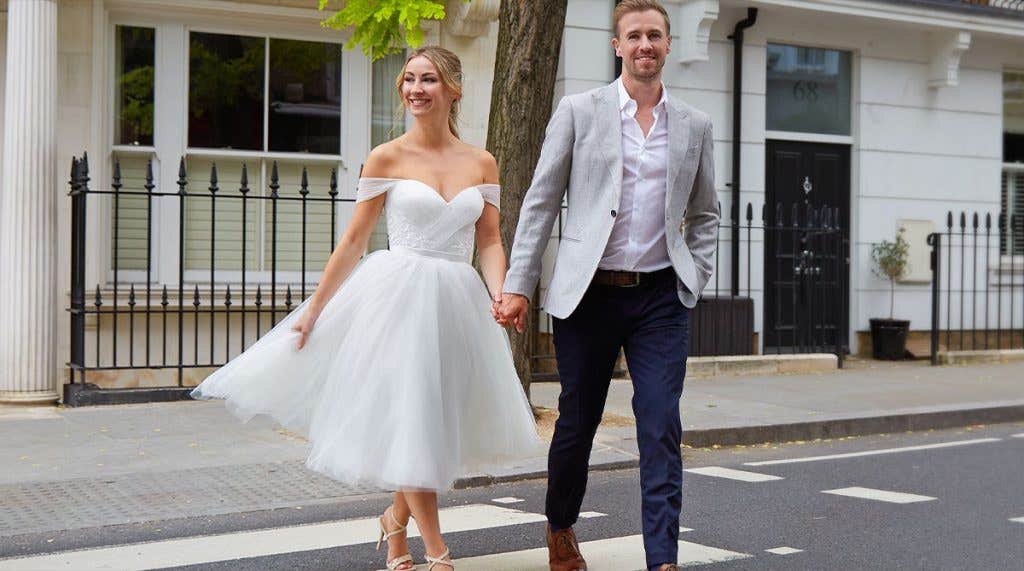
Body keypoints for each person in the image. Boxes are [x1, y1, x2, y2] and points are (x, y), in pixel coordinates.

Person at [192, 46, 542, 571]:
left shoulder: (481, 162)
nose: (415, 89)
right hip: (397, 301)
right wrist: (314, 308)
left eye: (427, 80)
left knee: (429, 424)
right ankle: (439, 554)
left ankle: (394, 525)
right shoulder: (386, 157)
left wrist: (500, 293)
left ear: (453, 90)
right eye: (408, 80)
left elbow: (489, 240)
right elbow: (354, 241)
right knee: (412, 414)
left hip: (456, 304)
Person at [495, 1, 720, 569]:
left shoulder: (694, 125)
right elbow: (542, 201)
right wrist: (519, 285)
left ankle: (662, 558)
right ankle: (561, 523)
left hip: (660, 298)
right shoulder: (580, 111)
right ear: (617, 46)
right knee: (578, 422)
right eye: (633, 36)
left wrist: (695, 274)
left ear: (668, 45)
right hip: (588, 295)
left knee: (661, 422)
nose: (645, 45)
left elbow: (706, 213)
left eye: (654, 35)